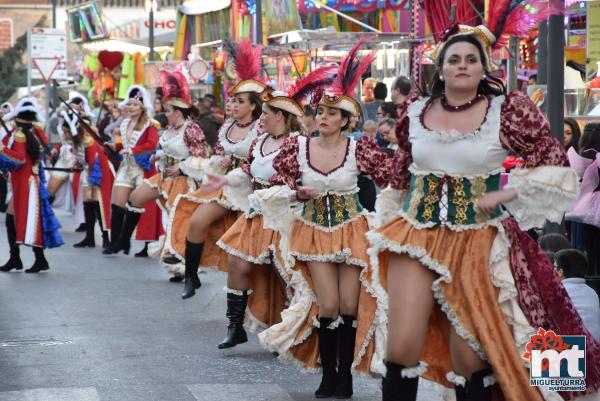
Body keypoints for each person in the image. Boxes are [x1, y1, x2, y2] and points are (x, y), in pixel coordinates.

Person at [364, 15, 599, 401]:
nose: (462, 65)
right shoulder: (415, 112)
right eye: (453, 59)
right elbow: (402, 171)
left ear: (483, 68)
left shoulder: (506, 111)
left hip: (479, 239)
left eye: (471, 59)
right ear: (439, 69)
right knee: (400, 347)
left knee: (470, 356)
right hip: (416, 233)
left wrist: (507, 193)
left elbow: (554, 163)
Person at [258, 41, 391, 399]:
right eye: (319, 112)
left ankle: (343, 376)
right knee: (328, 304)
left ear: (347, 121)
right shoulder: (297, 148)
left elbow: (391, 176)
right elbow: (275, 183)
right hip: (314, 231)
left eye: (332, 114)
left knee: (349, 306)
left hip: (351, 230)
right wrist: (296, 193)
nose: (323, 118)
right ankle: (327, 373)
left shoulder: (359, 148)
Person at [201, 68, 334, 349]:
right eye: (260, 113)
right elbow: (249, 171)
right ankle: (235, 326)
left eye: (265, 113)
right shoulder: (260, 142)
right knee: (237, 264)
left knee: (287, 274)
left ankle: (290, 333)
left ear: (280, 117)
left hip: (285, 216)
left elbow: (300, 179)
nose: (261, 118)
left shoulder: (297, 144)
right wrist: (225, 179)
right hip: (257, 213)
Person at [168, 38, 265, 299]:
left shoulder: (261, 129)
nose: (232, 105)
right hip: (225, 188)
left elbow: (260, 160)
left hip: (249, 193)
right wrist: (217, 163)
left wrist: (238, 165)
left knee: (246, 257)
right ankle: (191, 277)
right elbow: (219, 155)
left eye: (240, 101)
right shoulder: (227, 127)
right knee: (196, 221)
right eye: (232, 100)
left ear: (253, 106)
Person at [109, 70, 210, 282]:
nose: (165, 113)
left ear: (179, 111)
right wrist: (158, 155)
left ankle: (183, 266)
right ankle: (123, 239)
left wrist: (182, 168)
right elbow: (170, 149)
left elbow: (203, 158)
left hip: (183, 181)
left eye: (169, 110)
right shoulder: (171, 129)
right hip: (164, 177)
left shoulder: (190, 129)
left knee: (178, 223)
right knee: (135, 198)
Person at [0, 97, 63, 272]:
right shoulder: (35, 132)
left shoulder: (21, 135)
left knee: (32, 220)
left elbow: (19, 159)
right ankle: (16, 258)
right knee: (13, 219)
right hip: (24, 182)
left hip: (26, 183)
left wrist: (2, 149)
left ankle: (37, 259)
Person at [103, 86, 163, 256]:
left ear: (142, 107)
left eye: (134, 104)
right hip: (126, 167)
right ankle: (115, 243)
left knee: (140, 205)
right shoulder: (124, 124)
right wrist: (113, 146)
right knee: (117, 205)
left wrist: (133, 151)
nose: (130, 107)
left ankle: (135, 243)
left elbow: (152, 144)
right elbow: (124, 146)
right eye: (128, 104)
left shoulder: (150, 125)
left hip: (142, 168)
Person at [555, 249, 600, 341]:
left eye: (554, 267)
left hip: (569, 347)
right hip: (595, 345)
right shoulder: (592, 293)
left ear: (560, 272)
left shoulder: (556, 292)